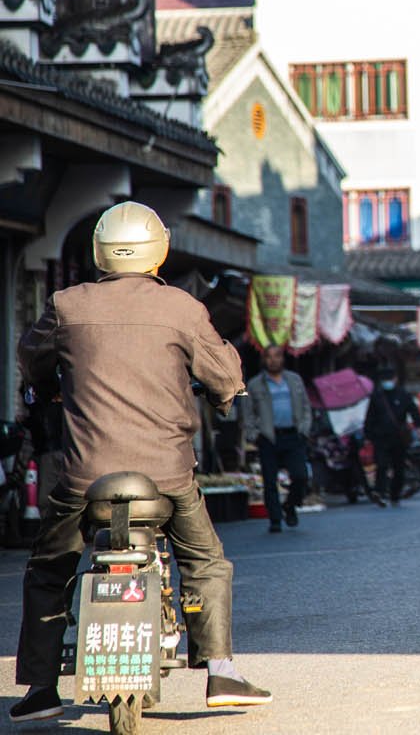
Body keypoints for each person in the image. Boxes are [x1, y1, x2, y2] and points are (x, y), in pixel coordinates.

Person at [11, 201, 270, 723]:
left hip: (86, 478)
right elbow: (223, 372)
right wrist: (223, 393)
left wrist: (46, 389)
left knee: (49, 568)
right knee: (205, 562)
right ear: (160, 250)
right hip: (167, 477)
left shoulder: (66, 303)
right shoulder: (182, 307)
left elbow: (31, 358)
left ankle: (41, 686)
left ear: (100, 250)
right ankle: (220, 669)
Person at [243, 344, 312, 533]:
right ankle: (275, 519)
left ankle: (290, 505)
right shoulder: (255, 384)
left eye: (277, 356)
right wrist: (254, 435)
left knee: (300, 476)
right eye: (269, 357)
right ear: (264, 360)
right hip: (269, 437)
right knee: (270, 481)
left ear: (283, 358)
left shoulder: (294, 380)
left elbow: (306, 407)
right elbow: (248, 414)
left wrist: (304, 430)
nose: (273, 360)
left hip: (293, 435)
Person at [364, 365, 420, 506]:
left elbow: (414, 412)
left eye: (389, 379)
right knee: (381, 465)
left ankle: (395, 495)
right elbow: (370, 417)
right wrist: (369, 435)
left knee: (399, 468)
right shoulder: (377, 397)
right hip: (381, 438)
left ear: (394, 379)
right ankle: (380, 492)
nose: (387, 382)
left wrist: (419, 426)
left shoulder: (403, 395)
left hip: (399, 438)